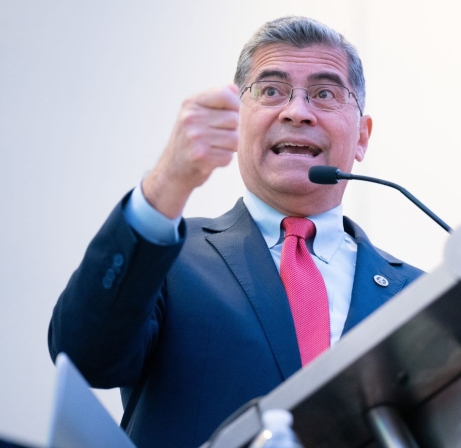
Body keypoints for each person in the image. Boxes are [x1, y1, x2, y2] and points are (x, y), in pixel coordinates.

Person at [48, 16, 422, 448]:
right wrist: (169, 180)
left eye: (324, 93)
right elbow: (84, 358)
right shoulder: (169, 258)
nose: (297, 112)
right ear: (238, 122)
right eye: (271, 91)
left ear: (361, 136)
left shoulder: (418, 295)